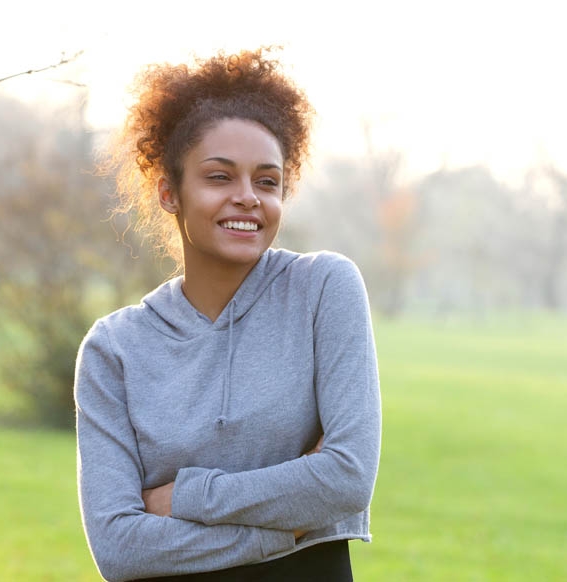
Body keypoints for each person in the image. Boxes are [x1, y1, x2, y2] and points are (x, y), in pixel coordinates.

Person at [74, 48, 382, 582]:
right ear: (171, 193)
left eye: (267, 182)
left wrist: (187, 494)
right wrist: (288, 528)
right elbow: (120, 548)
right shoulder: (113, 349)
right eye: (219, 177)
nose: (247, 198)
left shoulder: (322, 289)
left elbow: (348, 479)